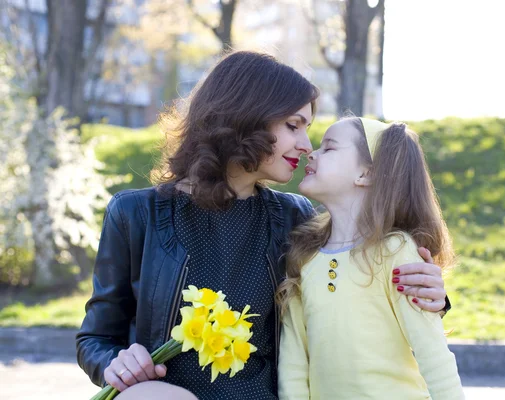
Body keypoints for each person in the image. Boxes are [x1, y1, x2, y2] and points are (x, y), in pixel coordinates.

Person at [76, 51, 450, 400]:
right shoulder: (134, 214)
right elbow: (95, 337)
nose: (306, 145)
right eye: (293, 126)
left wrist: (432, 293)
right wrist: (114, 363)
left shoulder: (297, 219)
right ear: (245, 115)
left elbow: (358, 290)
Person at [278, 117, 465, 399]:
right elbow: (293, 365)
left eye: (329, 148)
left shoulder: (396, 251)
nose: (312, 153)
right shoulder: (304, 259)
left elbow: (433, 354)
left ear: (366, 174)